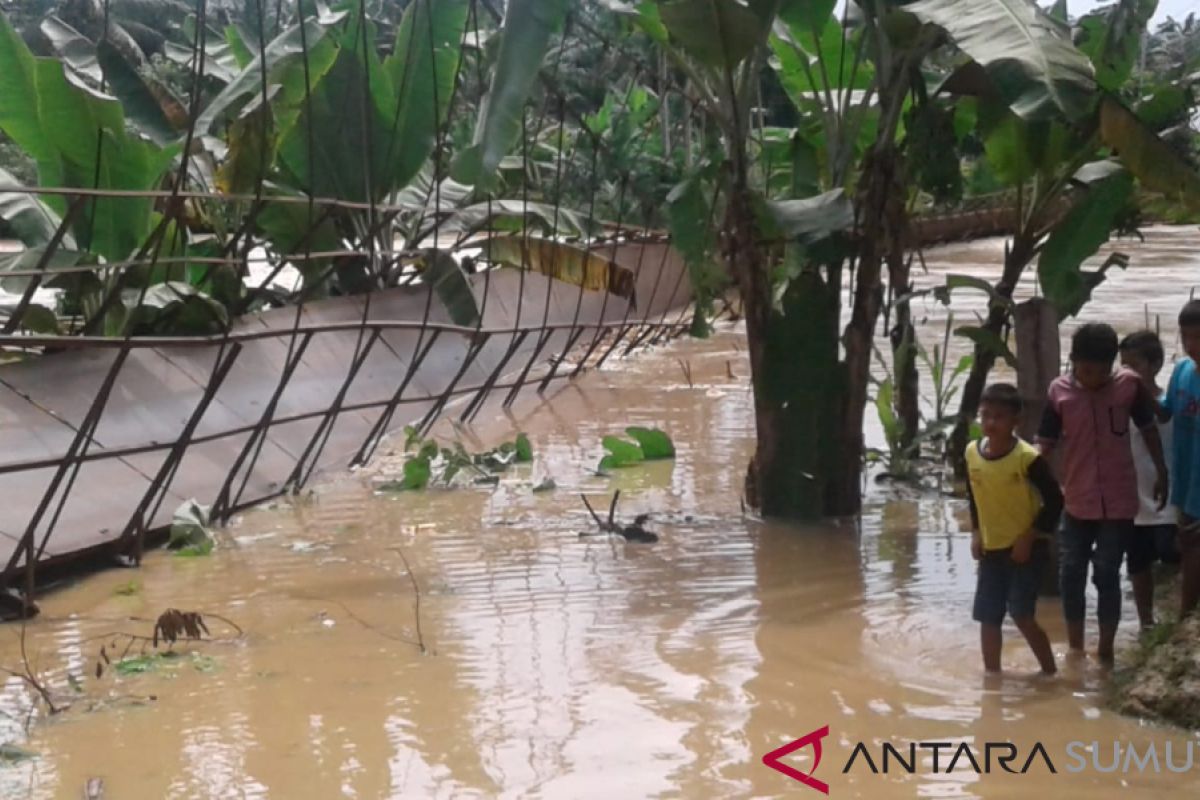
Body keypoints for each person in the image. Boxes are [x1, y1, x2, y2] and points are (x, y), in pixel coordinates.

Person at [1038, 323, 1167, 664]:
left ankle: (1106, 647)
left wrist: (1162, 472)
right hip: (1076, 499)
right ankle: (1076, 646)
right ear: (1073, 362)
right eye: (1084, 370)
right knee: (1071, 571)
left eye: (1099, 371)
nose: (1092, 378)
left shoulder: (1127, 387)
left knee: (1107, 571)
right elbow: (1045, 444)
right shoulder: (1059, 393)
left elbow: (1150, 429)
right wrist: (1026, 481)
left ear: (1112, 365)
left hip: (1119, 500)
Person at [967, 383, 1062, 675]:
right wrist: (976, 531)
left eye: (999, 417)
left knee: (1022, 614)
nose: (991, 423)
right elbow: (973, 493)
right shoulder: (972, 452)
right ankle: (992, 678)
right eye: (985, 416)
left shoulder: (1027, 458)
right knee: (988, 617)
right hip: (991, 548)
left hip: (1026, 551)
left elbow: (1056, 501)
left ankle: (1049, 673)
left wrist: (1030, 536)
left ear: (1015, 422)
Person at [1119, 330, 1178, 630]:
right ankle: (1146, 623)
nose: (1127, 374)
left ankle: (1181, 611)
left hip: (1167, 495)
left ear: (1155, 364)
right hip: (1133, 498)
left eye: (1134, 367)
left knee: (1171, 552)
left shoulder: (1169, 404)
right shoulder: (1119, 408)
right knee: (1138, 563)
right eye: (1122, 367)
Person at [1160, 300, 1200, 618]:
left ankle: (1187, 613)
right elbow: (1165, 412)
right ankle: (1186, 613)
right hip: (1187, 476)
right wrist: (1136, 386)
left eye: (1198, 337)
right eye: (1186, 337)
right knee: (1187, 542)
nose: (1191, 345)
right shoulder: (1183, 370)